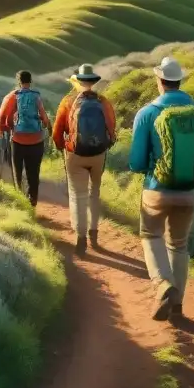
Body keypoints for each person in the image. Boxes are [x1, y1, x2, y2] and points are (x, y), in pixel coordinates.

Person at [129, 56, 194, 321]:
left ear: (159, 81)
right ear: (179, 80)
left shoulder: (147, 112)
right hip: (190, 191)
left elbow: (136, 162)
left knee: (151, 236)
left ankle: (163, 286)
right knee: (179, 244)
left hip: (156, 189)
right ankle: (177, 307)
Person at [52, 64, 117, 257]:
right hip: (98, 154)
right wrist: (105, 145)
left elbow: (57, 131)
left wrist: (61, 146)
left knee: (77, 195)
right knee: (94, 193)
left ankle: (81, 238)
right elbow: (112, 130)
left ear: (78, 81)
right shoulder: (103, 101)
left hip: (75, 153)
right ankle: (94, 234)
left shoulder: (68, 101)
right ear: (93, 82)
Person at [0, 70, 51, 208]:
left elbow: (3, 118)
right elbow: (44, 117)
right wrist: (45, 125)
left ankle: (19, 202)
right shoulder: (36, 96)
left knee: (17, 172)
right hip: (36, 140)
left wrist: (4, 129)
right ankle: (32, 202)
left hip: (18, 140)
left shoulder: (13, 96)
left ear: (19, 81)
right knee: (34, 173)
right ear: (30, 81)